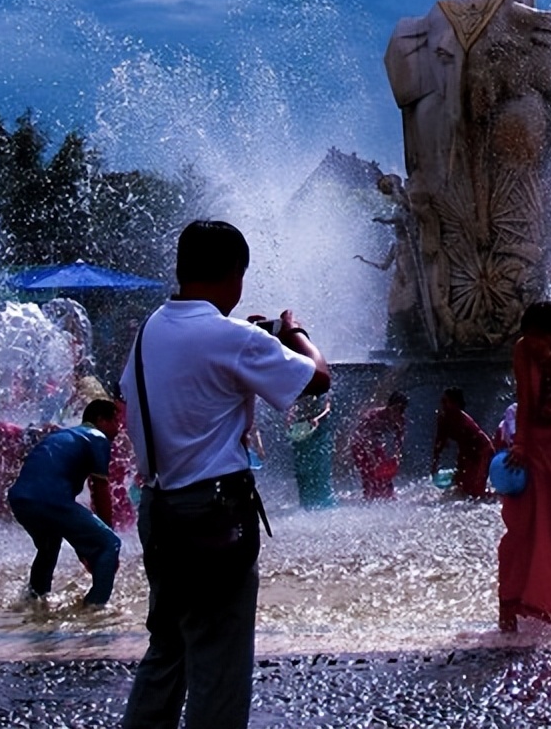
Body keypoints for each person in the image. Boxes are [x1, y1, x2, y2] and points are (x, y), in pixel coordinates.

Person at [119, 219, 330, 729]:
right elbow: (319, 379)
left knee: (168, 647)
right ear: (235, 273)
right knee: (219, 660)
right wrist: (293, 330)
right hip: (214, 516)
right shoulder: (229, 335)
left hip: (160, 508)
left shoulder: (150, 331)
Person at [497, 301, 551, 632]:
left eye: (540, 336)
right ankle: (509, 607)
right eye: (528, 335)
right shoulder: (521, 351)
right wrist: (519, 443)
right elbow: (524, 398)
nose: (533, 342)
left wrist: (549, 362)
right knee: (520, 528)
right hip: (530, 448)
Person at [7, 398, 122, 607]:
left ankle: (34, 602)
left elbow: (67, 518)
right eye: (115, 421)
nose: (118, 429)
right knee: (110, 543)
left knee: (50, 546)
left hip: (20, 499)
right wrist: (106, 533)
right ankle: (95, 609)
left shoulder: (63, 435)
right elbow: (100, 489)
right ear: (100, 420)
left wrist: (83, 546)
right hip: (49, 500)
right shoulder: (97, 437)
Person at [430, 387, 493, 501]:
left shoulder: (463, 422)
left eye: (445, 402)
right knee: (460, 485)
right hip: (467, 451)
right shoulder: (443, 419)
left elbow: (470, 446)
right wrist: (435, 464)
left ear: (456, 404)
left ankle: (493, 497)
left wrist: (465, 467)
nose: (442, 405)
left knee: (476, 492)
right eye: (442, 401)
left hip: (484, 451)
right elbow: (439, 442)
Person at [349, 392, 408, 500]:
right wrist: (371, 456)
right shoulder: (373, 416)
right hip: (359, 445)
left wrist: (397, 454)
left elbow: (399, 439)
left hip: (375, 444)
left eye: (401, 410)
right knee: (369, 473)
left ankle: (387, 496)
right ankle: (369, 498)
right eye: (395, 409)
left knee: (384, 472)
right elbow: (361, 436)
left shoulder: (399, 420)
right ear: (389, 406)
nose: (397, 412)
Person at [286, 392, 336, 509]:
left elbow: (327, 409)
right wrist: (289, 418)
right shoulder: (299, 389)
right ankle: (306, 503)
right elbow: (292, 408)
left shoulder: (323, 391)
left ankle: (324, 502)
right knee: (303, 470)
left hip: (319, 431)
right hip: (302, 429)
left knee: (320, 467)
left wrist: (316, 419)